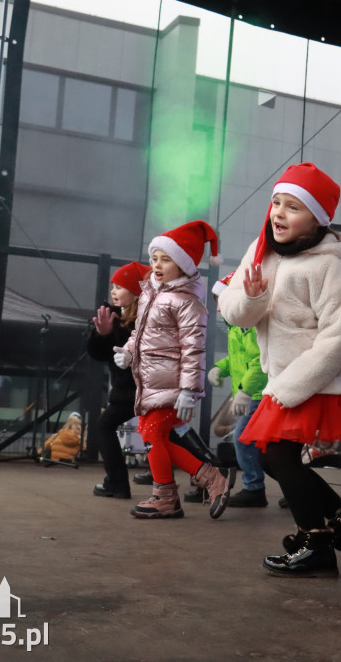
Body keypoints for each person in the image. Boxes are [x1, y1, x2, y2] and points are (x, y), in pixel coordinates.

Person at [218, 162, 341, 578]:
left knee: (276, 456)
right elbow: (235, 313)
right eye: (276, 203)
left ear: (317, 220)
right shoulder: (262, 252)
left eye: (293, 207)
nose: (278, 213)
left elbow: (340, 337)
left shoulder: (326, 266)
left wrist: (290, 386)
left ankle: (319, 539)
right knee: (275, 459)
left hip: (309, 383)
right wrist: (252, 298)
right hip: (282, 381)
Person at [114, 220, 234, 520]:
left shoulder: (186, 301)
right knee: (158, 437)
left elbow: (194, 348)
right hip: (151, 381)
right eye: (155, 258)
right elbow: (139, 333)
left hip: (170, 383)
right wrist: (128, 353)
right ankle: (208, 478)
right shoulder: (153, 294)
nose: (156, 264)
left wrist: (189, 390)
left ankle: (166, 495)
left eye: (166, 259)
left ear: (182, 264)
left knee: (153, 434)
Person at [88, 261, 151, 499]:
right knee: (167, 433)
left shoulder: (146, 316)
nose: (113, 291)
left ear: (136, 291)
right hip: (130, 390)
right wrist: (101, 334)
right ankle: (206, 472)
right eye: (112, 286)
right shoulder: (112, 315)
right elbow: (99, 354)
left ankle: (117, 483)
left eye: (119, 286)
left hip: (140, 389)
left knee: (105, 425)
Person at [208, 272, 270, 508]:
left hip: (255, 394)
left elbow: (258, 363)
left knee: (243, 440)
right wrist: (220, 369)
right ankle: (289, 488)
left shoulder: (251, 328)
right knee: (264, 447)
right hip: (250, 393)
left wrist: (244, 391)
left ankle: (254, 488)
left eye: (222, 303)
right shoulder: (238, 328)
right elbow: (237, 360)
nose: (219, 310)